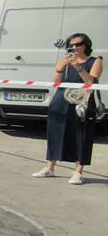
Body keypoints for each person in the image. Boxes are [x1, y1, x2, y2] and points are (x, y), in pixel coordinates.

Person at [33, 33, 102, 185]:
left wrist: (78, 67)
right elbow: (56, 82)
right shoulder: (65, 61)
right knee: (55, 131)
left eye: (79, 44)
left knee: (81, 135)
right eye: (72, 45)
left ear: (86, 45)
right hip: (62, 99)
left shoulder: (95, 61)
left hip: (82, 101)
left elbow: (92, 81)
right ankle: (49, 167)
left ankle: (78, 172)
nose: (75, 48)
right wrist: (59, 68)